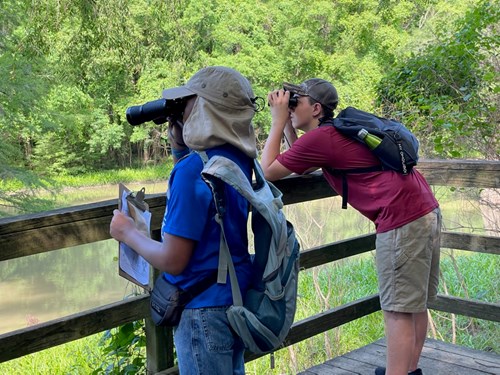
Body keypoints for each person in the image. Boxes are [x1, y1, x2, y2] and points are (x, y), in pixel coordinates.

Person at [261, 78, 441, 375]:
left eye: (296, 103)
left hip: (402, 220)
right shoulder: (332, 134)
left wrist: (277, 120)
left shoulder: (323, 139)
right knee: (413, 304)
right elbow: (302, 162)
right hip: (423, 211)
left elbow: (268, 171)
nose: (290, 107)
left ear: (316, 108)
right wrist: (290, 123)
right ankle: (408, 370)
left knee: (397, 310)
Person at [110, 66, 259, 375]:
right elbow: (209, 206)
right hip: (234, 299)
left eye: (187, 103)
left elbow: (174, 260)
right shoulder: (240, 160)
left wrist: (127, 233)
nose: (181, 112)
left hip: (201, 313)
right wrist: (180, 146)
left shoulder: (192, 172)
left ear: (204, 109)